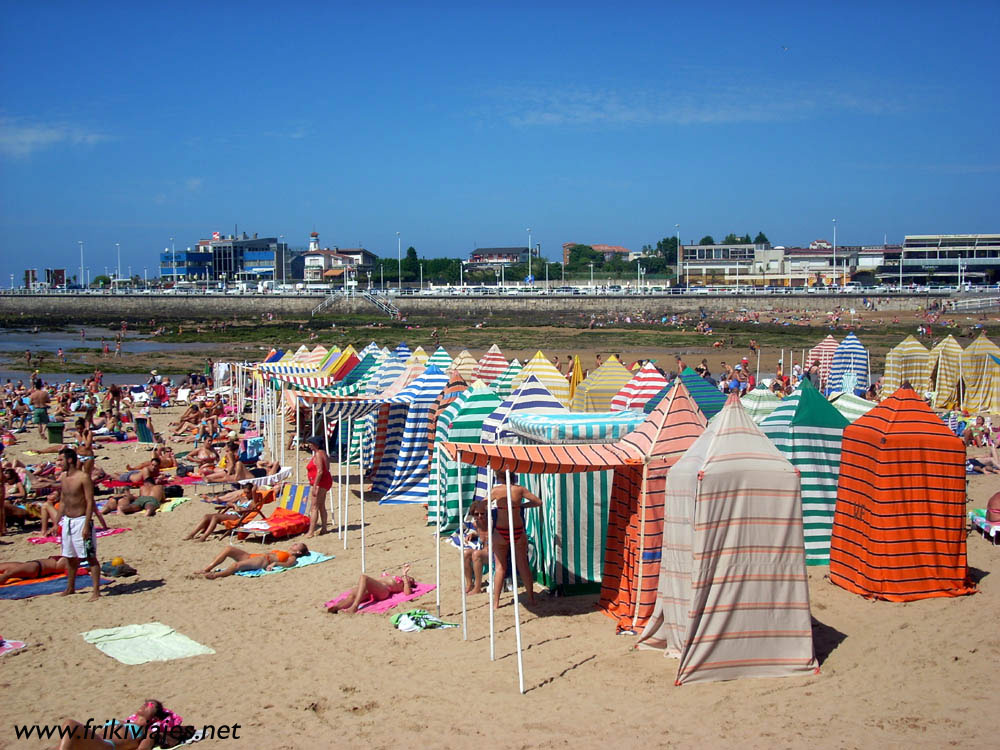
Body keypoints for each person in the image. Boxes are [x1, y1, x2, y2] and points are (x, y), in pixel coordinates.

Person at [56, 447, 101, 600]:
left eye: (61, 460)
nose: (59, 463)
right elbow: (63, 501)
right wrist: (56, 522)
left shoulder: (83, 477)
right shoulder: (63, 477)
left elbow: (89, 502)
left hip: (81, 520)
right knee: (69, 556)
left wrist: (86, 524)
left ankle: (96, 591)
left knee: (90, 556)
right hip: (68, 521)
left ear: (69, 460)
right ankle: (71, 587)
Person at [489, 481, 542, 609]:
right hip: (517, 529)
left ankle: (496, 603)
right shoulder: (520, 489)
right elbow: (538, 502)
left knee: (500, 567)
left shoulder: (496, 490)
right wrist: (521, 506)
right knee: (523, 565)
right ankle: (531, 598)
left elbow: (482, 504)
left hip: (501, 530)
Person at [54, 699, 188, 749]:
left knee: (70, 724)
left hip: (105, 746)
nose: (146, 704)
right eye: (145, 702)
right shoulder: (123, 722)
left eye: (151, 705)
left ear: (155, 716)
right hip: (92, 742)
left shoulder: (148, 733)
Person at [183, 484, 264, 541]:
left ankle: (203, 537)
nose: (246, 494)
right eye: (245, 492)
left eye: (248, 492)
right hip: (231, 513)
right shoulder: (241, 497)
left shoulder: (253, 502)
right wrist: (234, 506)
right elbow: (228, 503)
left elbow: (246, 510)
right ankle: (192, 534)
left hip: (238, 517)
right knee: (207, 516)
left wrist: (237, 508)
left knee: (215, 517)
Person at [326, 564, 414, 613]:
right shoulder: (396, 577)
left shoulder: (404, 583)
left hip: (384, 590)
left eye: (412, 580)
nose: (410, 578)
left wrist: (405, 575)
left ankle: (355, 606)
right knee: (352, 596)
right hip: (373, 588)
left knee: (363, 577)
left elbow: (407, 593)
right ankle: (337, 608)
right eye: (411, 577)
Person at [195, 542, 309, 579]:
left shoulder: (292, 557)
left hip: (262, 560)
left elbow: (289, 564)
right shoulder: (286, 552)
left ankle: (215, 575)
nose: (294, 544)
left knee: (237, 565)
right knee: (229, 549)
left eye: (297, 545)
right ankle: (206, 569)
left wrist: (275, 563)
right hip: (251, 555)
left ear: (299, 552)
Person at [303, 435, 331, 537]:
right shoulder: (324, 454)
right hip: (325, 481)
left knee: (314, 507)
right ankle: (324, 528)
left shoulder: (319, 454)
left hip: (320, 482)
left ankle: (311, 532)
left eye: (310, 444)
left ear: (315, 444)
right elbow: (326, 469)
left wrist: (315, 485)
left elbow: (320, 471)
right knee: (321, 505)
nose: (309, 446)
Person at [462, 501, 490, 594]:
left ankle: (477, 587)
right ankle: (470, 584)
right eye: (476, 514)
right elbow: (481, 534)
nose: (480, 516)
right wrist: (473, 534)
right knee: (465, 553)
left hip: (494, 553)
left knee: (476, 554)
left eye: (482, 513)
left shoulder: (492, 523)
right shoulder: (476, 524)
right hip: (485, 550)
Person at [0, 555, 67, 585]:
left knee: (7, 574)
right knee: (9, 570)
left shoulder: (70, 561)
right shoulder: (71, 559)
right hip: (35, 567)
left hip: (38, 568)